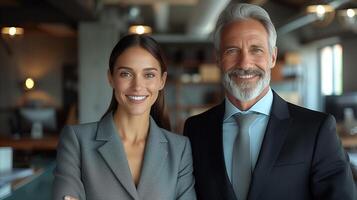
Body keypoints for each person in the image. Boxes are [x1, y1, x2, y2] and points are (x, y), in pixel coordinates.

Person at [183, 3, 356, 200]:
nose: (245, 64)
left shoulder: (317, 130)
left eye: (256, 50)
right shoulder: (195, 130)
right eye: (232, 50)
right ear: (217, 59)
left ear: (273, 57)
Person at [53, 34, 196, 200]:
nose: (137, 86)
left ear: (162, 81)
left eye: (149, 75)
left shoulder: (179, 149)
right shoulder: (77, 141)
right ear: (111, 78)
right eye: (126, 74)